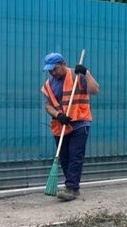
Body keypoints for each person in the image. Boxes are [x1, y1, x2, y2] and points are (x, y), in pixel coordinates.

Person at [41, 53, 100, 201]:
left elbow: (95, 90)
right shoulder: (49, 83)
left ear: (63, 64)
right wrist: (57, 115)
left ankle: (71, 188)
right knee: (65, 158)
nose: (53, 73)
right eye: (50, 71)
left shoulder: (77, 75)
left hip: (79, 122)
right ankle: (72, 187)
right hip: (61, 124)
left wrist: (86, 73)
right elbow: (48, 105)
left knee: (75, 155)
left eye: (55, 69)